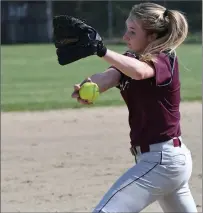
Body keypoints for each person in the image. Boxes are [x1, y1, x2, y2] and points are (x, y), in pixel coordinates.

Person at [71, 2, 197, 213]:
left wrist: (101, 50)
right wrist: (90, 85)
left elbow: (139, 72)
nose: (125, 36)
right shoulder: (130, 60)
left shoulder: (165, 59)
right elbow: (108, 77)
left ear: (152, 36)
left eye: (132, 31)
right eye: (126, 29)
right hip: (166, 162)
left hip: (162, 160)